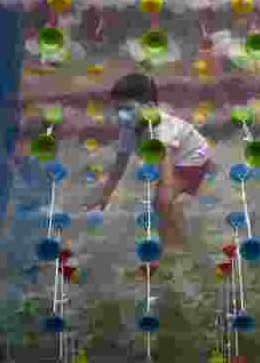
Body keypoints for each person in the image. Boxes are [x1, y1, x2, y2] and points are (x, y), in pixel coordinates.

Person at [91, 73, 214, 254]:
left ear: (149, 107)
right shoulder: (129, 127)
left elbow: (166, 160)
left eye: (126, 109)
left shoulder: (161, 128)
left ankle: (177, 247)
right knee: (165, 202)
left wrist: (165, 191)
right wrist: (105, 196)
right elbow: (120, 164)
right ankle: (173, 241)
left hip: (193, 159)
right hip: (177, 157)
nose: (121, 115)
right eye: (117, 109)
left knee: (162, 201)